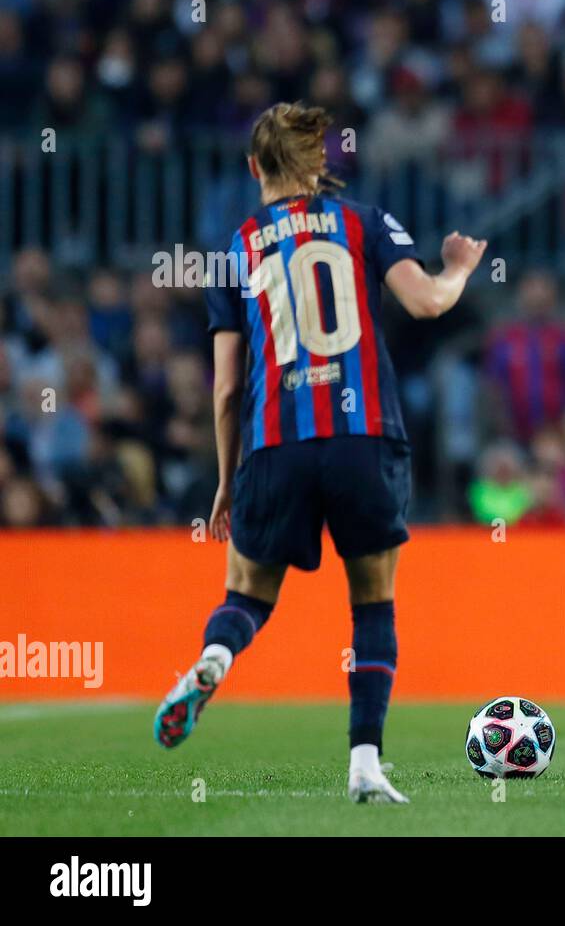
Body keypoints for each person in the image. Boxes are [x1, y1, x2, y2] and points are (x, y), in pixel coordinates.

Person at [152, 101, 487, 803]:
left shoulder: (236, 248)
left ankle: (214, 657)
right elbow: (426, 303)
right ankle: (365, 763)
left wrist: (224, 481)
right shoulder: (360, 219)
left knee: (246, 592)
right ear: (319, 166)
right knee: (372, 602)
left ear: (254, 169)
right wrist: (456, 269)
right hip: (364, 437)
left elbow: (220, 390)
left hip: (276, 445)